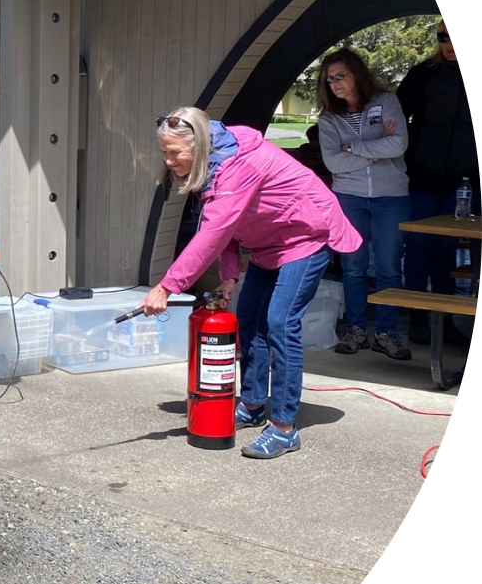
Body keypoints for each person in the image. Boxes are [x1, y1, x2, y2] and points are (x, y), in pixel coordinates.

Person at [142, 107, 361, 460]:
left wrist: (167, 287)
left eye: (174, 153)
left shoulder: (238, 167)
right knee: (249, 320)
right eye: (164, 153)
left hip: (305, 237)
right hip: (267, 244)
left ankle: (285, 428)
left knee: (280, 323)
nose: (168, 161)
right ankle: (254, 404)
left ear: (197, 145)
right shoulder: (212, 163)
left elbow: (212, 233)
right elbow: (222, 225)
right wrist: (229, 275)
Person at [315, 49, 411, 360]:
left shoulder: (385, 101)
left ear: (357, 73)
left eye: (340, 76)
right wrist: (377, 147)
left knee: (388, 267)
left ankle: (386, 332)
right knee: (353, 267)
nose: (335, 84)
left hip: (391, 195)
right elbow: (333, 162)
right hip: (349, 197)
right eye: (329, 80)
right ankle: (356, 329)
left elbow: (399, 144)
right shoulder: (329, 118)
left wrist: (354, 146)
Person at [396, 19, 475, 345]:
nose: (448, 43)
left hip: (466, 178)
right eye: (443, 36)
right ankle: (417, 318)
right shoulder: (423, 74)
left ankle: (444, 321)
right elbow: (396, 116)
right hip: (423, 173)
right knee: (418, 245)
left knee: (448, 247)